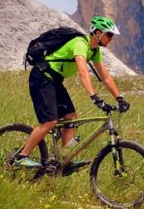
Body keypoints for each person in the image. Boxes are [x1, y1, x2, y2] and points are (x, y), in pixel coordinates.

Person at [11, 16, 130, 168]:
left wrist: (119, 98)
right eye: (109, 35)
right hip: (41, 77)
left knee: (71, 117)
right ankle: (21, 157)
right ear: (98, 33)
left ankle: (64, 161)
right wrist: (94, 97)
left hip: (55, 81)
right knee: (50, 121)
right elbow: (82, 72)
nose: (111, 39)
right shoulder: (80, 43)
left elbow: (105, 77)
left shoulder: (94, 51)